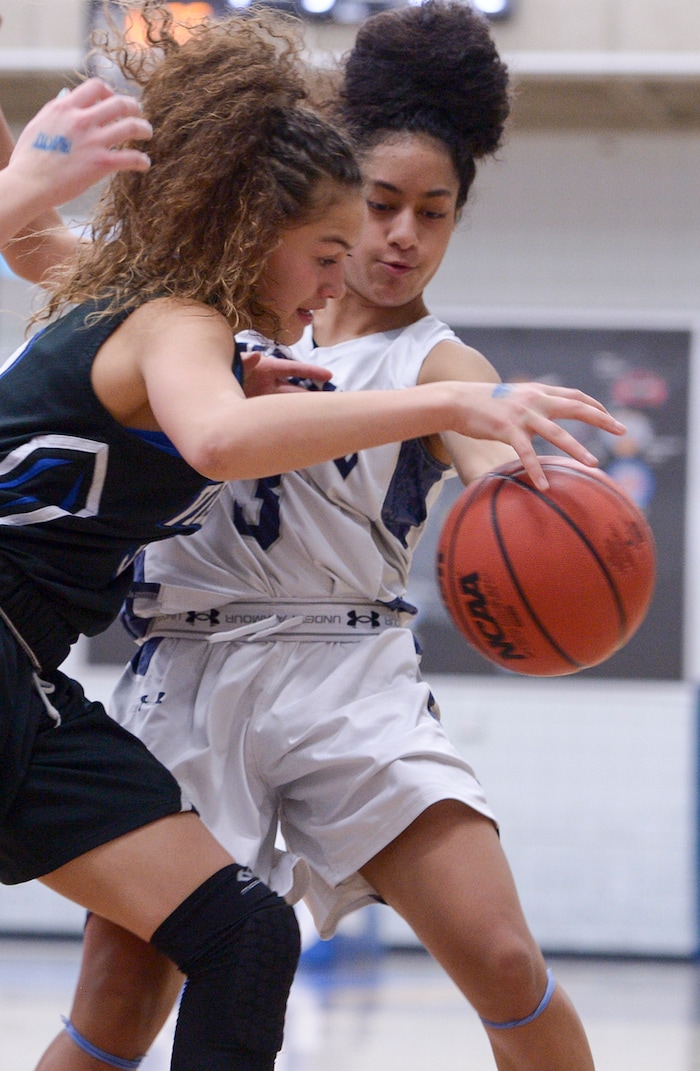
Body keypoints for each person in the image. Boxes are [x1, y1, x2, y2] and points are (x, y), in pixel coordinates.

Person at [22, 4, 622, 1068]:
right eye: (378, 208)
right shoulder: (197, 311)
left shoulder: (444, 368)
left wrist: (553, 504)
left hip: (348, 670)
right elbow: (58, 266)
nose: (399, 237)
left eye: (431, 215)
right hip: (190, 662)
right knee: (121, 1000)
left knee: (498, 956)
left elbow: (500, 480)